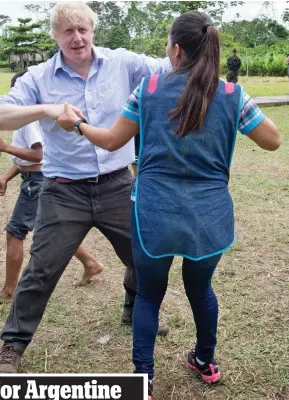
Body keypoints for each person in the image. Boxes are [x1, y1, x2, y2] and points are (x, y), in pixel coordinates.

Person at [57, 11, 280, 399]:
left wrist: (75, 125)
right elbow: (273, 141)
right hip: (208, 218)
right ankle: (205, 360)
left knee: (148, 295)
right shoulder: (233, 95)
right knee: (201, 289)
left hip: (153, 214)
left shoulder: (149, 90)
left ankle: (143, 378)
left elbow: (111, 141)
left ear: (175, 50)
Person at [0, 2, 170, 373]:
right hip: (63, 189)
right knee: (42, 269)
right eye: (68, 31)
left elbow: (170, 68)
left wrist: (196, 42)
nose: (77, 38)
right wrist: (46, 109)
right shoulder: (39, 77)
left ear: (93, 31)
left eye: (83, 29)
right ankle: (13, 347)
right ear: (56, 36)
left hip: (118, 183)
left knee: (141, 256)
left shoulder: (122, 63)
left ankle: (133, 308)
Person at [0, 72, 103, 304]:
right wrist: (7, 176)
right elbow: (29, 161)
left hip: (36, 183)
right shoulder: (32, 119)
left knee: (15, 231)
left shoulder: (28, 122)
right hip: (38, 179)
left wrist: (6, 148)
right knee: (50, 229)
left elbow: (38, 155)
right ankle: (91, 263)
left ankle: (8, 291)